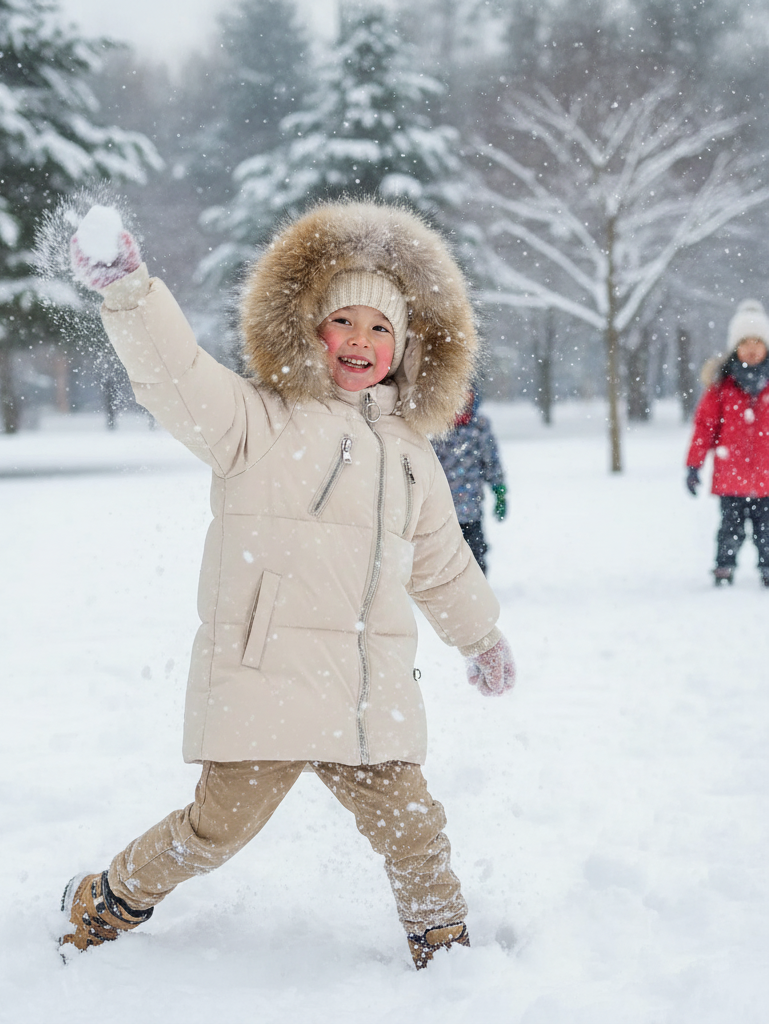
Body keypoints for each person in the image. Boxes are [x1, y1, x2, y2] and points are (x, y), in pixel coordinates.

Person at [58, 200, 517, 970]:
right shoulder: (257, 421)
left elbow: (441, 562)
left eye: (381, 329)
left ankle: (443, 941)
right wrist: (131, 293)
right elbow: (177, 375)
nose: (361, 342)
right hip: (270, 679)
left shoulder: (412, 454)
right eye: (344, 322)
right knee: (215, 833)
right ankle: (109, 895)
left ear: (406, 347)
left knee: (414, 826)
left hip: (369, 692)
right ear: (311, 330)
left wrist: (481, 636)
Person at [685, 298, 769, 587]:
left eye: (758, 341)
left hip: (767, 478)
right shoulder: (722, 386)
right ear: (735, 346)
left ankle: (768, 567)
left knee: (767, 530)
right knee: (730, 527)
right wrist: (693, 465)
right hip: (730, 476)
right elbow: (704, 428)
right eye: (745, 341)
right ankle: (724, 566)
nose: (752, 347)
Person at [431, 384, 507, 575]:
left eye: (467, 394)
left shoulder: (479, 426)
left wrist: (499, 492)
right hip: (441, 508)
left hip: (471, 506)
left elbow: (492, 461)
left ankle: (477, 587)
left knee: (475, 551)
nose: (462, 399)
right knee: (442, 556)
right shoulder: (436, 426)